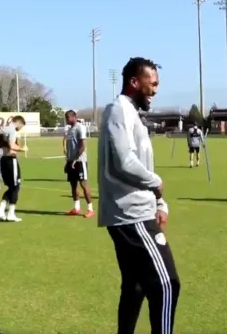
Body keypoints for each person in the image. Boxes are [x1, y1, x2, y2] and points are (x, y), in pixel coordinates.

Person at [98, 57, 180, 334]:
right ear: (135, 82)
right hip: (131, 214)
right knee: (167, 283)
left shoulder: (132, 114)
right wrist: (156, 182)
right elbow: (124, 161)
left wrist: (160, 202)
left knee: (135, 285)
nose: (155, 90)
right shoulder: (118, 110)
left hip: (139, 209)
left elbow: (142, 164)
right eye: (152, 83)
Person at [0, 116, 27, 222]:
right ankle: (11, 214)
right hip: (10, 160)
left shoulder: (2, 130)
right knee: (15, 187)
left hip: (3, 159)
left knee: (11, 187)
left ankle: (1, 211)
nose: (20, 129)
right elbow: (12, 146)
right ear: (19, 123)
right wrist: (22, 149)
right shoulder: (12, 130)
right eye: (21, 126)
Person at [64, 111, 94, 218]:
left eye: (68, 117)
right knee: (73, 185)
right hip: (70, 160)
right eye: (66, 118)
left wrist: (75, 159)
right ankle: (76, 208)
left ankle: (90, 209)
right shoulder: (69, 130)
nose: (66, 119)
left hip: (80, 161)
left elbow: (82, 146)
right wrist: (68, 160)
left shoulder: (80, 128)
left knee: (83, 184)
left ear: (74, 117)